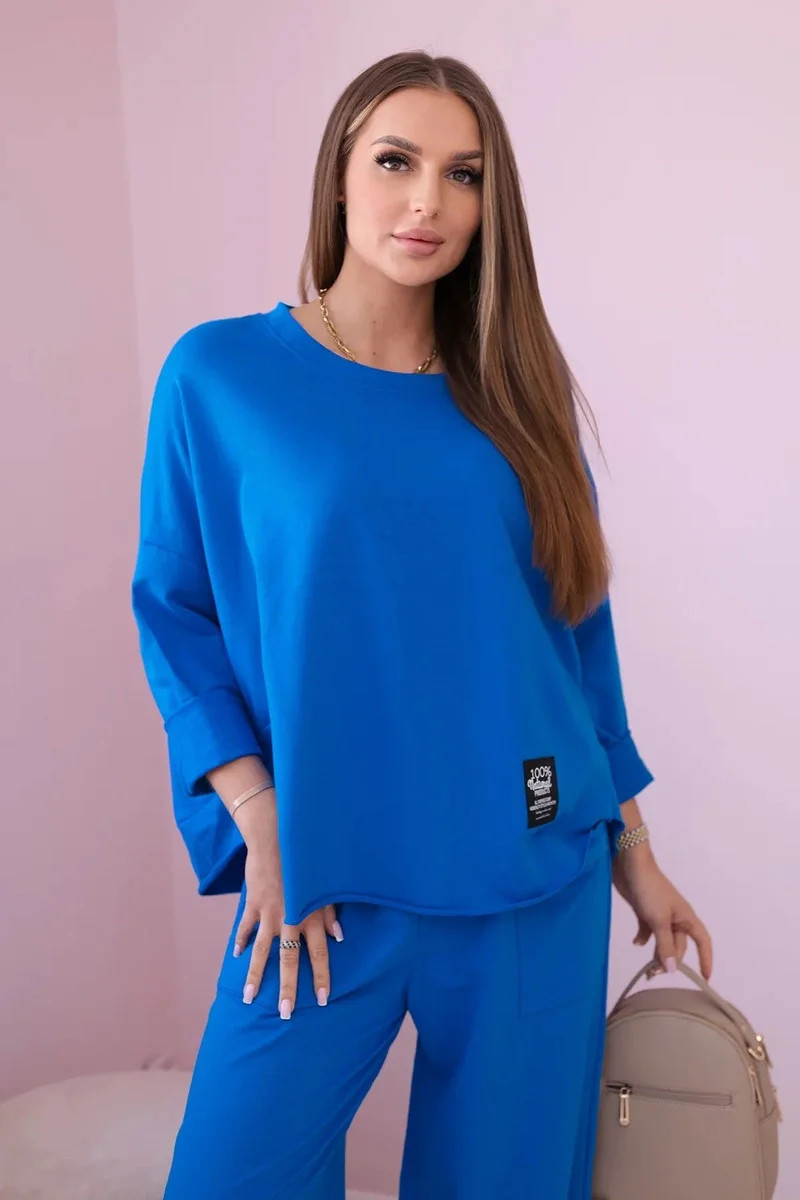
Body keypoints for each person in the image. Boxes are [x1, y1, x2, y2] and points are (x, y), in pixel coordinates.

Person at [131, 49, 713, 1200]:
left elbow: (573, 640)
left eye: (463, 174)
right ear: (339, 174)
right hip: (322, 876)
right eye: (396, 162)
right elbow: (175, 611)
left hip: (530, 870)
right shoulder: (220, 376)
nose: (426, 202)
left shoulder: (519, 398)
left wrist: (634, 853)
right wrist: (259, 815)